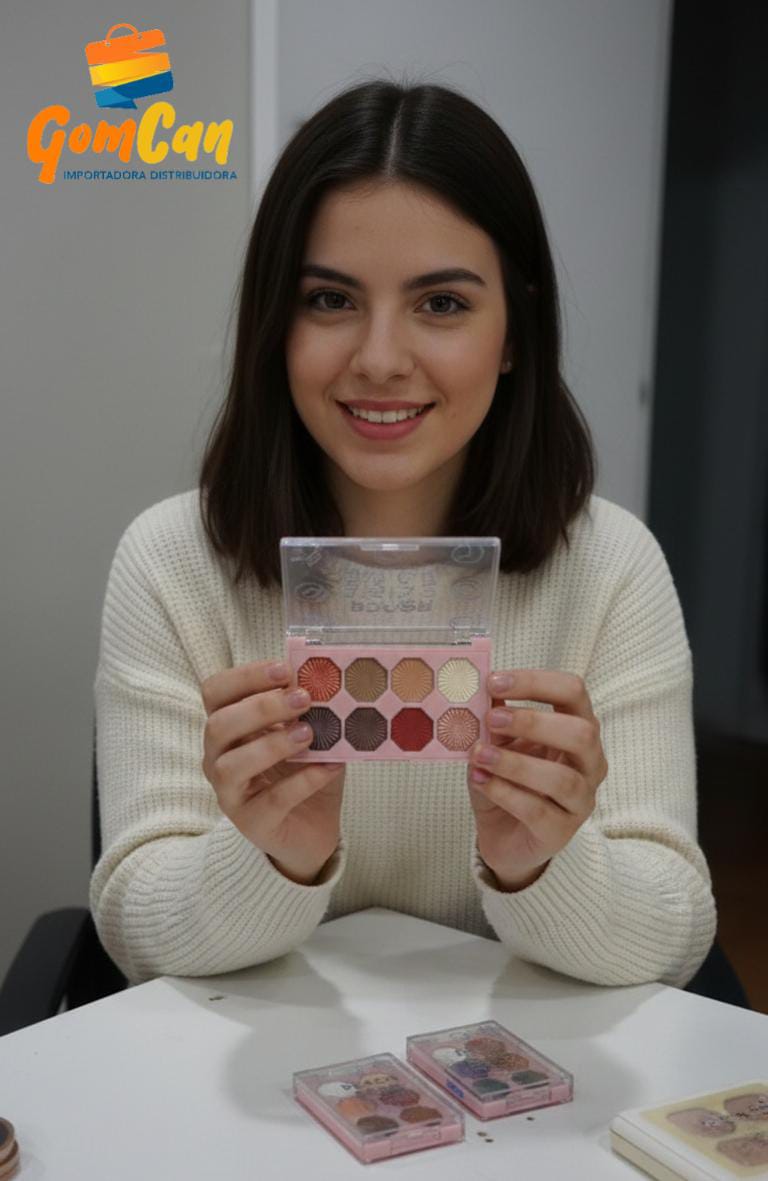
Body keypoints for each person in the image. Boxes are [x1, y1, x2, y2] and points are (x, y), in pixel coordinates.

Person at [89, 76, 716, 988]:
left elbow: (677, 933)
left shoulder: (612, 567)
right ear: (275, 324)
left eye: (443, 304)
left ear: (515, 332)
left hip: (520, 1058)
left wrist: (543, 865)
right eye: (330, 300)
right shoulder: (171, 560)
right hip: (256, 1057)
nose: (380, 360)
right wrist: (274, 857)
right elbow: (133, 928)